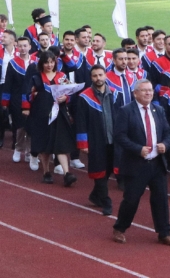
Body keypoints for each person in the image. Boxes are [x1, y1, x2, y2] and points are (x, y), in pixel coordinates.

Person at [112, 79, 170, 246]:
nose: (148, 93)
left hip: (157, 163)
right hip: (136, 164)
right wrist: (137, 149)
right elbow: (119, 136)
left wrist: (165, 144)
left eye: (150, 90)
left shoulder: (159, 110)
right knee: (131, 199)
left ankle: (164, 232)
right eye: (144, 90)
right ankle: (120, 228)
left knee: (161, 199)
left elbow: (168, 133)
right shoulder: (126, 111)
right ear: (135, 93)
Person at [23, 50, 77, 186]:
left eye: (52, 62)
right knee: (44, 143)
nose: (49, 65)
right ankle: (46, 172)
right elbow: (27, 94)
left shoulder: (61, 76)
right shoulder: (36, 78)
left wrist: (66, 97)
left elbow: (70, 92)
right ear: (42, 63)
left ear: (55, 63)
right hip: (41, 114)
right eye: (46, 62)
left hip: (59, 113)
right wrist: (30, 99)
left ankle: (67, 173)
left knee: (61, 143)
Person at [76, 65, 116, 215]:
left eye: (100, 75)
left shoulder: (114, 94)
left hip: (113, 139)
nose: (98, 78)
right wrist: (83, 143)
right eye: (95, 76)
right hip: (95, 140)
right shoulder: (84, 97)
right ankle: (106, 201)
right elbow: (81, 122)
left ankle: (95, 195)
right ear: (91, 78)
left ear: (106, 76)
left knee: (110, 169)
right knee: (99, 170)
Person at [3, 36, 36, 162]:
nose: (22, 48)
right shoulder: (13, 63)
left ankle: (29, 151)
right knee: (20, 126)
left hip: (33, 98)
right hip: (17, 98)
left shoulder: (36, 62)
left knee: (31, 126)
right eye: (20, 46)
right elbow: (8, 83)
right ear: (17, 47)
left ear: (30, 47)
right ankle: (18, 148)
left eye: (25, 46)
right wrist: (5, 102)